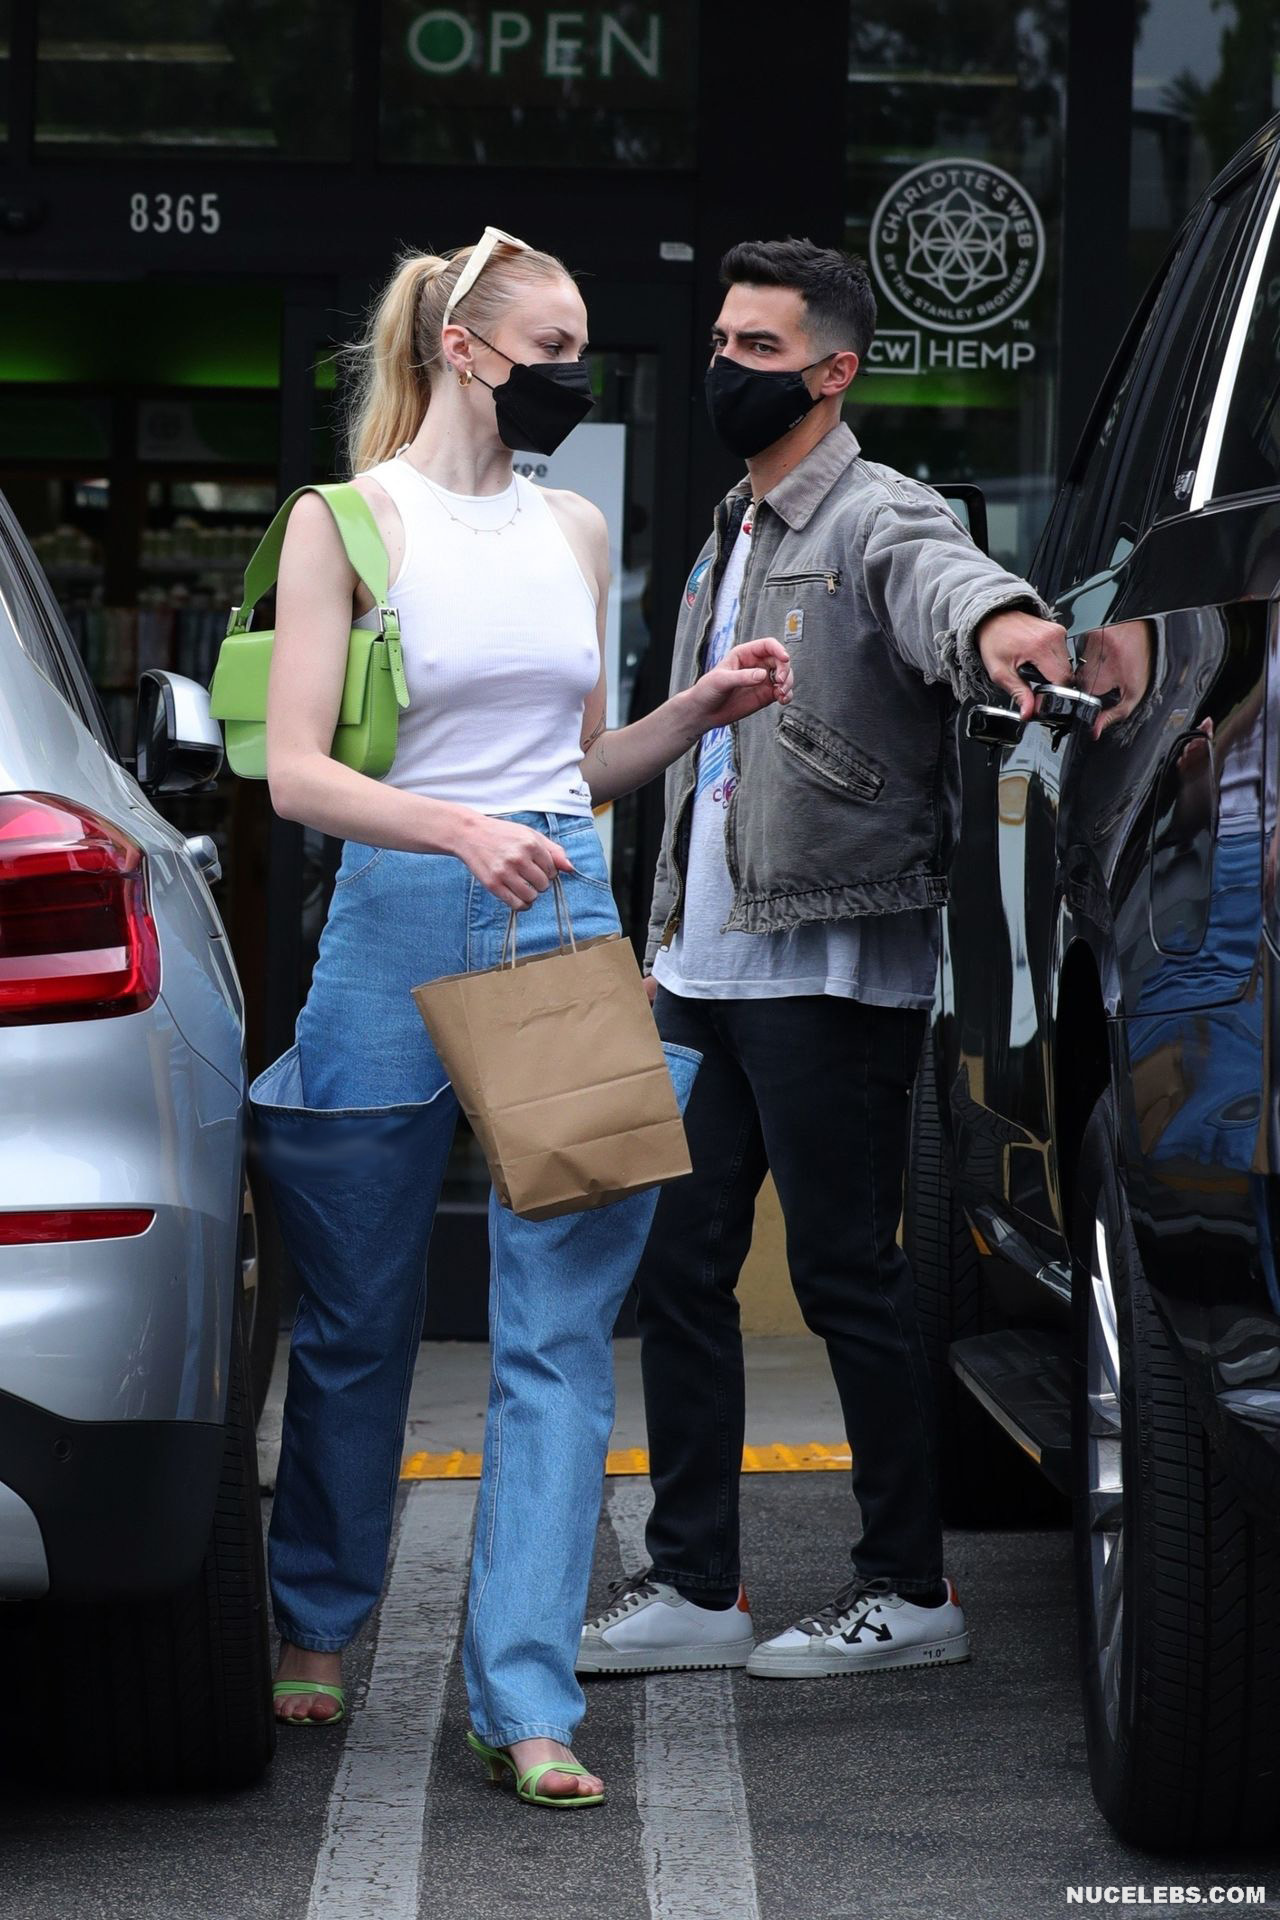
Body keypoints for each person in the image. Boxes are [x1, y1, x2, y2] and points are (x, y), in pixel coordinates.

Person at [251, 226, 793, 1803]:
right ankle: (318, 1616)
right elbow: (296, 772)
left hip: (559, 915)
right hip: (394, 922)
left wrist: (690, 717)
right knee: (355, 1315)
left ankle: (527, 1699)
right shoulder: (346, 520)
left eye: (580, 346)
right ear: (463, 347)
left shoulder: (571, 523)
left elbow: (579, 765)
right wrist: (456, 830)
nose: (575, 371)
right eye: (550, 346)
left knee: (558, 1337)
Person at [578, 236, 1072, 1681]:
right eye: (721, 342)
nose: (728, 367)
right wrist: (664, 935)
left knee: (848, 1275)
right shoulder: (731, 524)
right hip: (705, 963)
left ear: (835, 371)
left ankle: (908, 1588)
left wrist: (1008, 628)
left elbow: (950, 585)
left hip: (830, 964)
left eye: (760, 349)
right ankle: (696, 1583)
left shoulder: (877, 511)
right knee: (680, 1267)